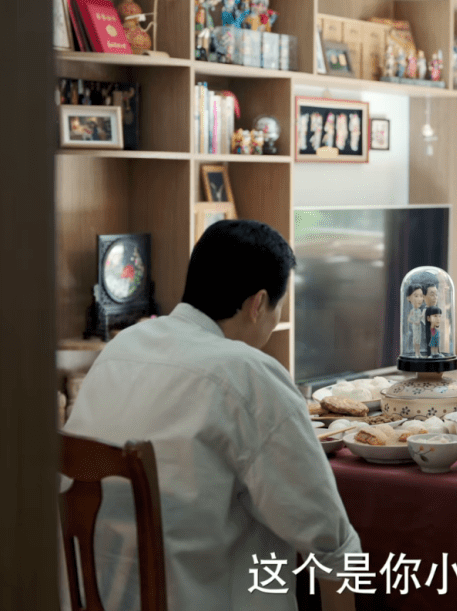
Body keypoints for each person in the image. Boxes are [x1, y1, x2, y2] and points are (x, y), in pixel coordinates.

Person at [63, 220, 360, 611]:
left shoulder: (121, 348)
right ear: (258, 304)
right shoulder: (248, 374)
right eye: (279, 307)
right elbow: (330, 544)